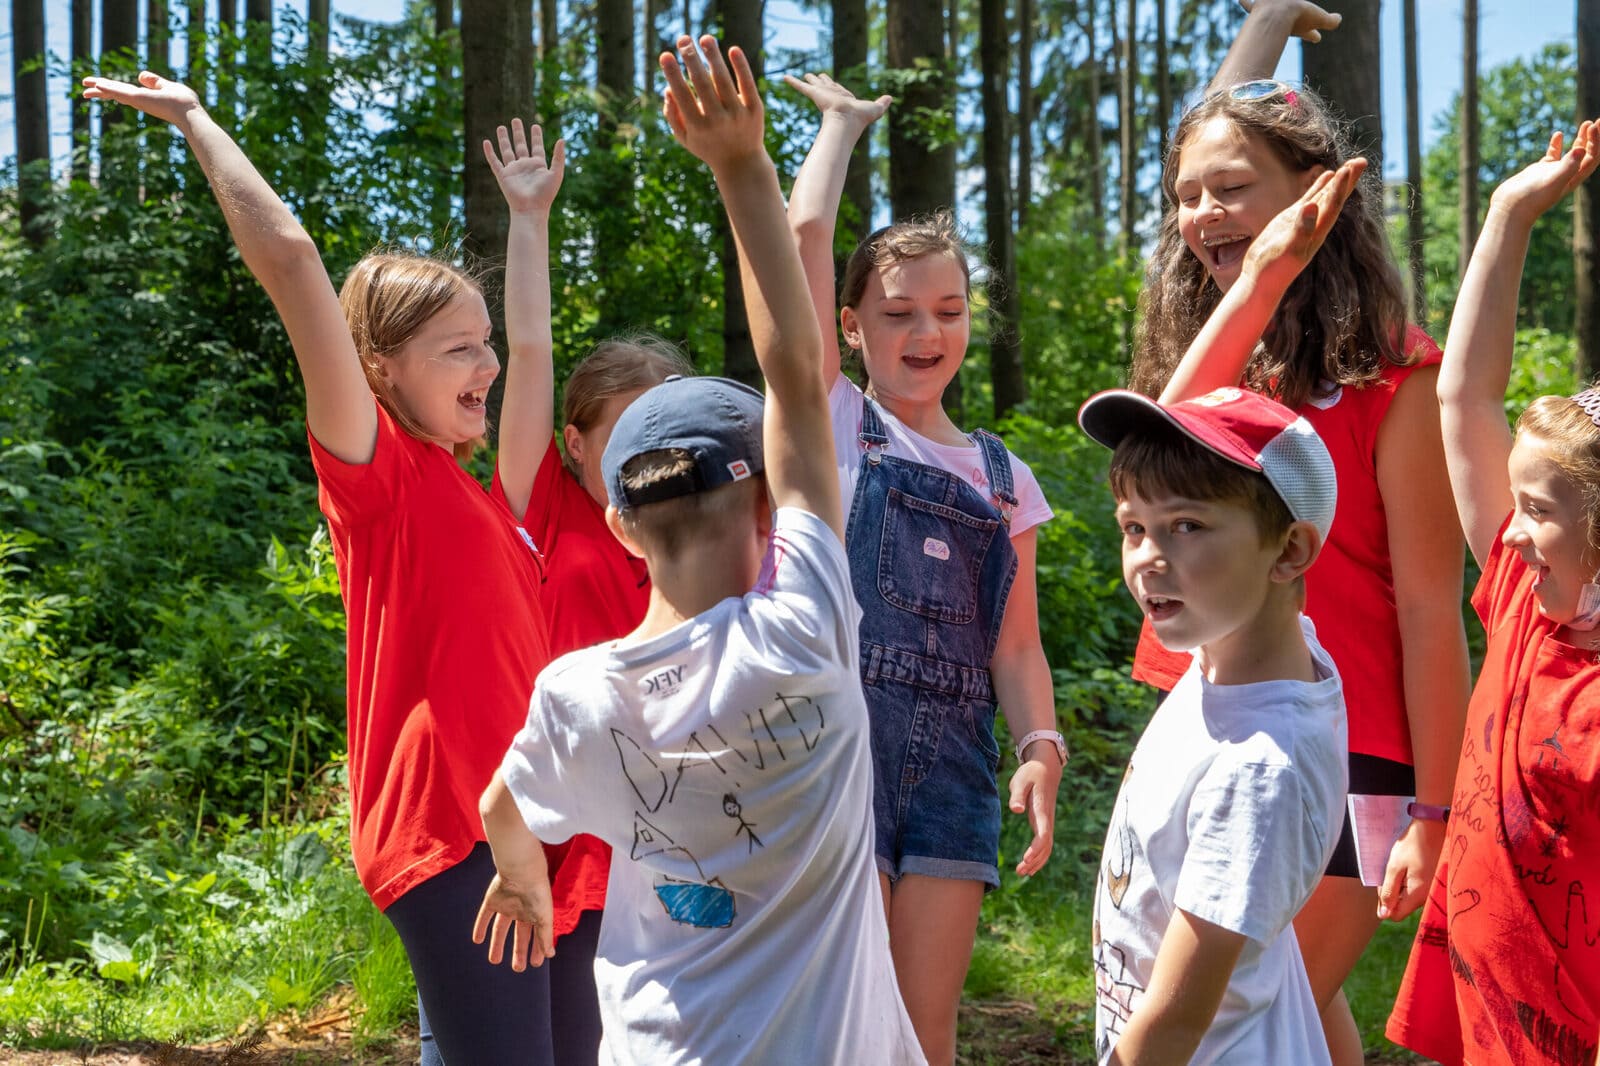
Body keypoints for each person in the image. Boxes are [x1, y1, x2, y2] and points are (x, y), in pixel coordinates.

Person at [80, 72, 595, 1064]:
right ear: (382, 370)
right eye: (456, 350)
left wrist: (528, 220)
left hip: (530, 830)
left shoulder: (493, 501)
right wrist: (195, 120)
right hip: (447, 834)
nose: (485, 366)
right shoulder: (378, 477)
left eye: (480, 344)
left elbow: (531, 352)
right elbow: (293, 261)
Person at [470, 35, 925, 1065]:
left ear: (620, 523)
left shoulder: (576, 692)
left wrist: (519, 874)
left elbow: (505, 803)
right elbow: (796, 372)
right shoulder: (807, 627)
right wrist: (740, 163)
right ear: (767, 506)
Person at [1126, 21, 1472, 1060]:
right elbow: (1146, 455)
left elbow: (1426, 605)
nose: (1201, 213)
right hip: (1206, 719)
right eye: (1187, 194)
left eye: (1230, 188)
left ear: (1316, 194)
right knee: (1292, 1016)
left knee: (1234, 1014)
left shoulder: (1396, 382)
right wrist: (1263, 29)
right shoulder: (1230, 358)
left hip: (1343, 752)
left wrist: (1437, 809)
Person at [784, 73, 1063, 1065]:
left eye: (947, 311)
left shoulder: (1002, 475)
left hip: (952, 768)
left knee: (918, 1031)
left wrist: (1039, 743)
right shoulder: (834, 423)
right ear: (850, 326)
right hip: (830, 753)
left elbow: (1016, 644)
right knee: (825, 1020)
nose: (925, 334)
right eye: (898, 313)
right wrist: (840, 130)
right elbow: (800, 245)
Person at [1385, 122, 1600, 1066]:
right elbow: (1464, 397)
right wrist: (1510, 214)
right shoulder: (1525, 593)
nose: (1507, 534)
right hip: (1483, 1001)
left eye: (1538, 511)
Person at [1079, 382, 1346, 1066]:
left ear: (1289, 553)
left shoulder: (1258, 770)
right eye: (1133, 527)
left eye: (1187, 526)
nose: (1146, 559)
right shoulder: (1246, 657)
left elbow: (1172, 1026)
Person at [485, 120, 694, 974]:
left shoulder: (694, 531)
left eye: (662, 431)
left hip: (660, 826)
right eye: (622, 434)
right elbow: (530, 350)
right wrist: (530, 218)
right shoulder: (545, 508)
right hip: (550, 822)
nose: (644, 453)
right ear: (573, 441)